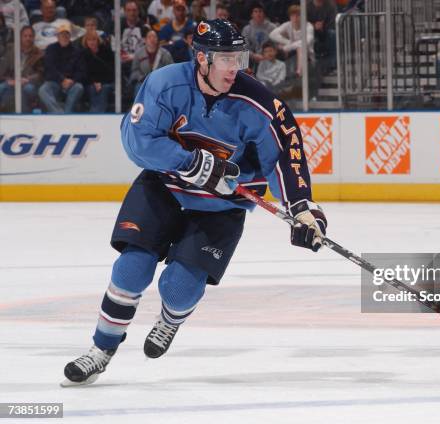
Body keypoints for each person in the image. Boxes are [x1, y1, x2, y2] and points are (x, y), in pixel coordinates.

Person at [62, 19, 326, 386]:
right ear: (201, 58)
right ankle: (101, 349)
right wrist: (188, 162)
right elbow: (137, 141)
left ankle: (170, 320)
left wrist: (302, 208)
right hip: (164, 186)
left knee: (178, 287)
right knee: (131, 269)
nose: (236, 68)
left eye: (239, 58)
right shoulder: (164, 84)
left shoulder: (259, 103)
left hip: (222, 206)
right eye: (226, 59)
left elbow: (285, 156)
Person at [38, 23, 85, 113]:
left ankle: (67, 112)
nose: (64, 36)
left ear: (70, 36)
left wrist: (73, 80)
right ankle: (58, 113)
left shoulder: (77, 51)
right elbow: (49, 67)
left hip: (71, 83)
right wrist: (62, 80)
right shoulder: (50, 49)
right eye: (62, 34)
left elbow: (81, 71)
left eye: (66, 34)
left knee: (79, 87)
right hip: (55, 82)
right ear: (57, 36)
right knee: (43, 90)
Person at [0, 25, 44, 113]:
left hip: (28, 83)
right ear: (20, 37)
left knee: (27, 89)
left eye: (30, 36)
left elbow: (40, 74)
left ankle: (24, 115)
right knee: (2, 87)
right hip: (12, 82)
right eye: (25, 36)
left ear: (34, 38)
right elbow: (2, 71)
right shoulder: (11, 50)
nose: (28, 38)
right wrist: (9, 80)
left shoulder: (39, 53)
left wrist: (27, 79)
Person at [129, 29, 173, 95]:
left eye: (154, 37)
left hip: (161, 82)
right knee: (138, 88)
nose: (152, 39)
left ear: (157, 39)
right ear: (145, 40)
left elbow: (171, 70)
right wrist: (141, 77)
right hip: (143, 82)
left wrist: (162, 79)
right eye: (149, 37)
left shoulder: (165, 54)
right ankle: (139, 105)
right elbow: (134, 71)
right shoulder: (139, 54)